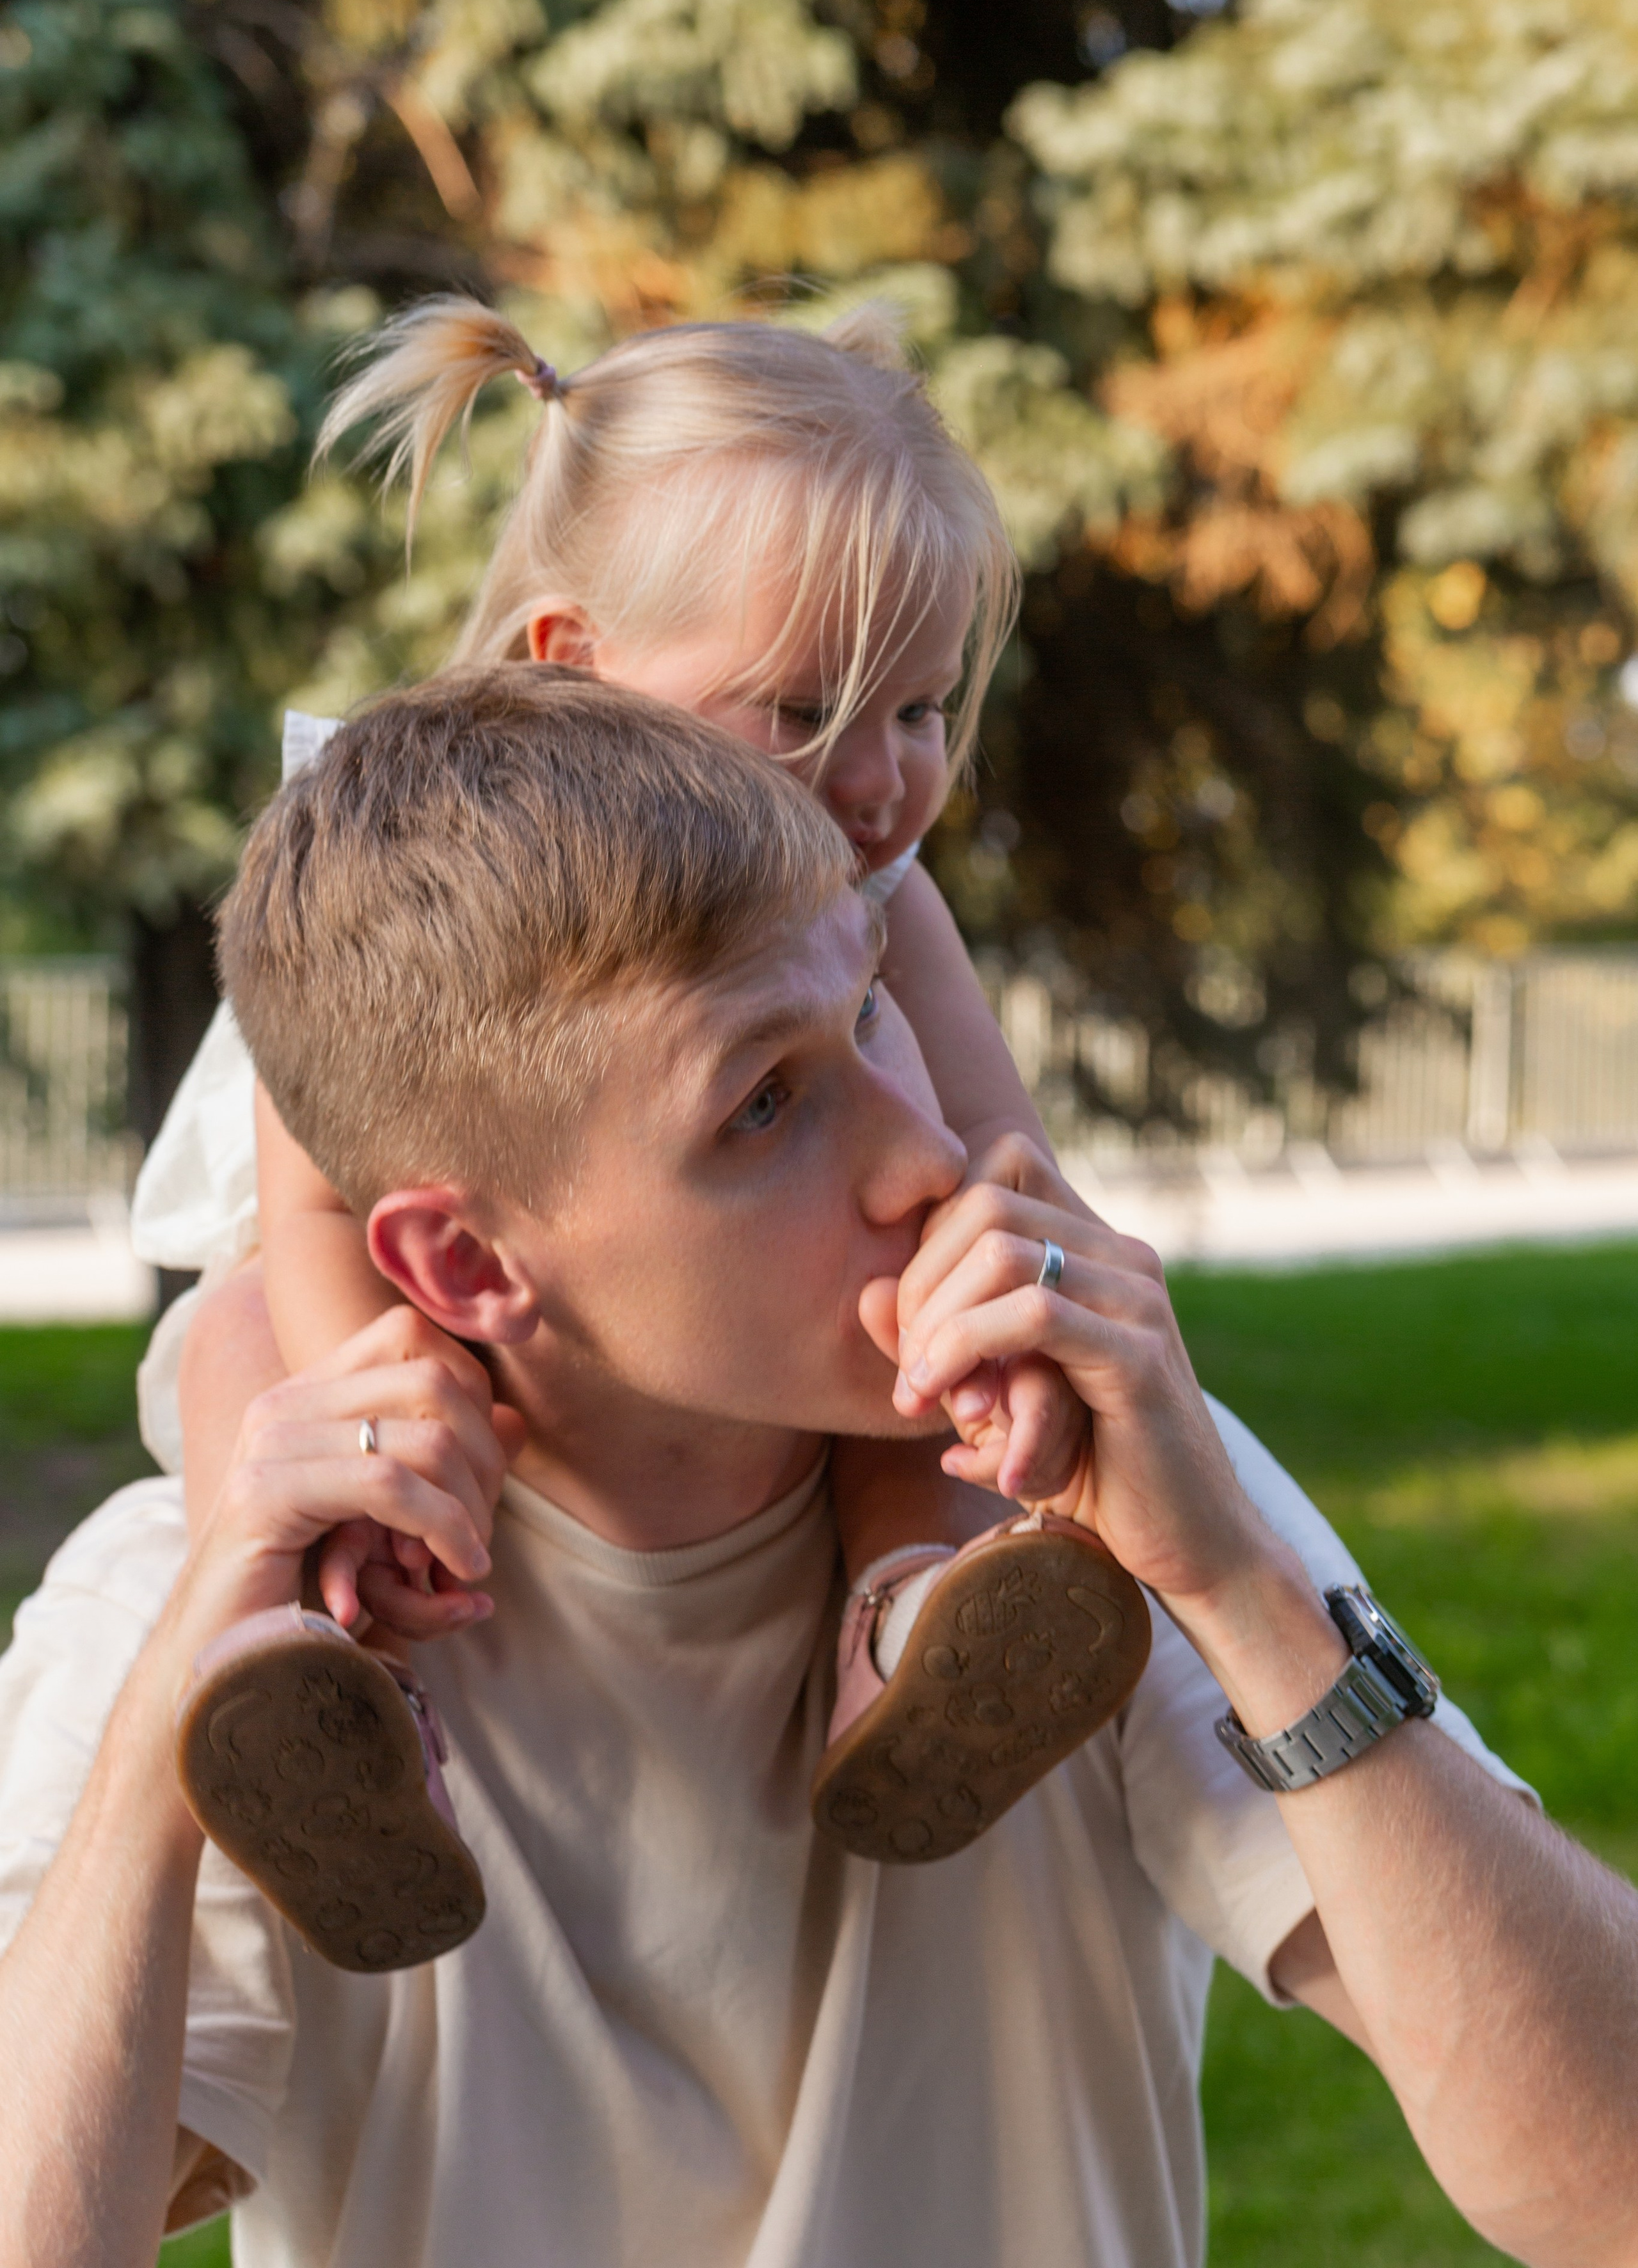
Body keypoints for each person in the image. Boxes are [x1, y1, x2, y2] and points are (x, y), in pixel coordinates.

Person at [2, 669, 1634, 2268]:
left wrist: (1242, 1594)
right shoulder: (201, 1603)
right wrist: (166, 1746)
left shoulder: (1088, 1491)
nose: (928, 1157)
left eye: (873, 1007)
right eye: (766, 1103)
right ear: (466, 1267)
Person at [130, 297, 1129, 1920]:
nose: (877, 782)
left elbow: (992, 1163)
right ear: (574, 667)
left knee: (903, 1361)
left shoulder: (887, 889)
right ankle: (312, 1685)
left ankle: (904, 1630)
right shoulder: (410, 876)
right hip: (396, 1289)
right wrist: (382, 1419)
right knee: (243, 1341)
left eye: (920, 709)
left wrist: (1027, 1315)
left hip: (702, 1316)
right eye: (802, 711)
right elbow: (314, 1201)